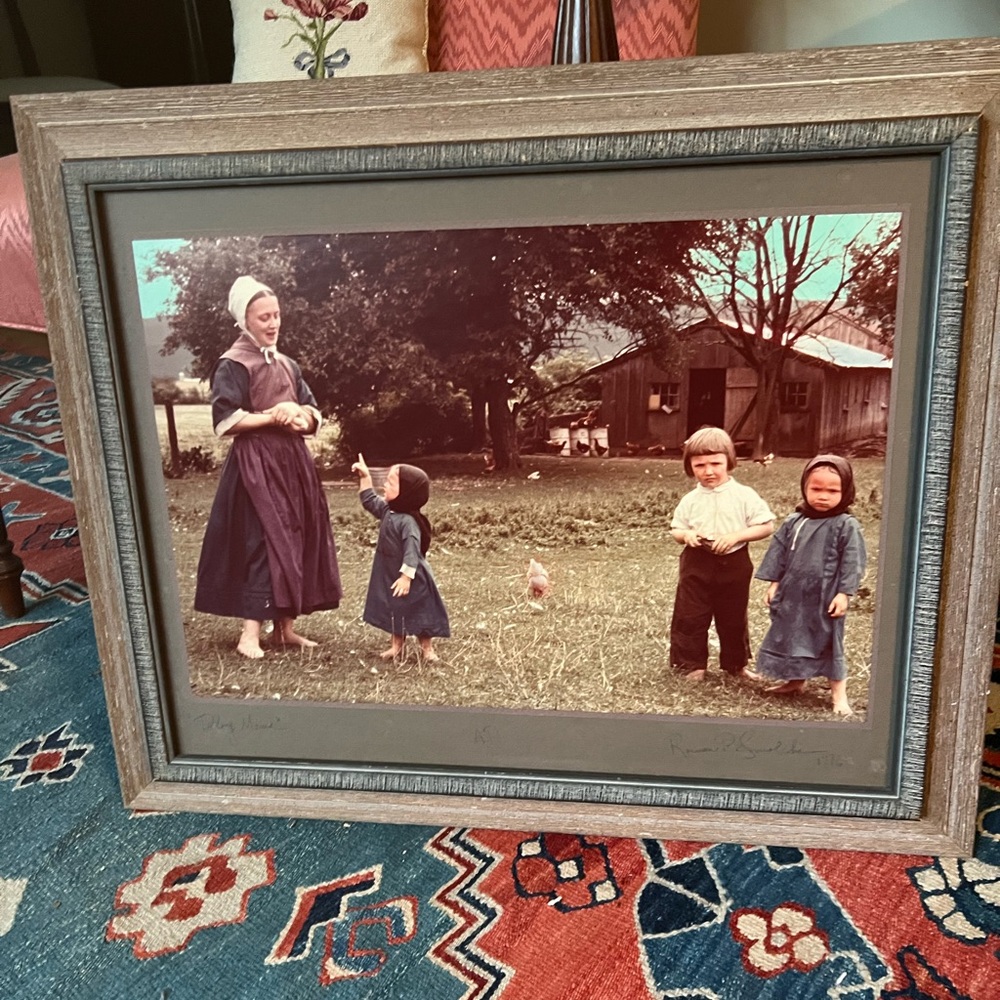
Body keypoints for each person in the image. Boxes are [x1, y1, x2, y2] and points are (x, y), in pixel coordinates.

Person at [193, 276, 342, 658]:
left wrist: (302, 419)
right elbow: (225, 421)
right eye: (264, 318)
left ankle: (285, 629)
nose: (273, 323)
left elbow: (312, 411)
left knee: (295, 536)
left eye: (276, 315)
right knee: (262, 540)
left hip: (292, 464)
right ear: (245, 320)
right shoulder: (233, 363)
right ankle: (249, 635)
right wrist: (274, 417)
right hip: (255, 466)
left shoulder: (288, 364)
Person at [754, 454, 867, 716]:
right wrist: (774, 583)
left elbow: (853, 562)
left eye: (832, 490)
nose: (823, 496)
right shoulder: (795, 521)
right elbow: (779, 552)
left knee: (829, 640)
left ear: (845, 491)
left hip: (825, 596)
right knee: (792, 635)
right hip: (793, 593)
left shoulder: (846, 525)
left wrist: (844, 593)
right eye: (816, 489)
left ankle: (839, 696)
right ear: (805, 487)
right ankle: (795, 682)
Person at [669, 426, 775, 681]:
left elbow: (766, 525)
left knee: (733, 616)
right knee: (690, 614)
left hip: (734, 561)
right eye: (699, 465)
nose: (708, 471)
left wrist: (736, 536)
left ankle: (735, 664)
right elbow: (676, 528)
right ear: (690, 467)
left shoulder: (744, 495)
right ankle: (692, 665)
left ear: (729, 461)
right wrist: (687, 536)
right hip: (697, 561)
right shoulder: (691, 499)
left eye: (715, 463)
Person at [351, 452, 450, 661]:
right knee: (396, 609)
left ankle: (427, 649)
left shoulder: (408, 523)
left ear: (406, 492)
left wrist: (406, 577)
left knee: (422, 609)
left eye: (390, 482)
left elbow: (412, 551)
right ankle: (397, 646)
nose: (385, 485)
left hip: (412, 577)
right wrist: (365, 477)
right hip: (391, 574)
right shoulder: (389, 511)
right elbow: (369, 500)